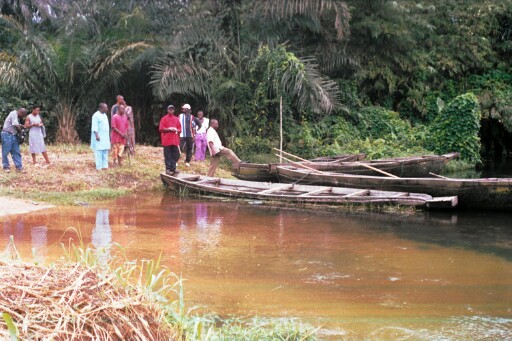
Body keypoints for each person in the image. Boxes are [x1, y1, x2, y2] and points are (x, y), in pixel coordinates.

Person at [1, 107, 27, 172]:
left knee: (16, 151)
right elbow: (15, 124)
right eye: (23, 115)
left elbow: (16, 124)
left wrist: (22, 126)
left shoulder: (16, 116)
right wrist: (21, 131)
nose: (22, 117)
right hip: (7, 134)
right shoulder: (13, 113)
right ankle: (6, 167)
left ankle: (19, 167)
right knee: (6, 151)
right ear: (21, 113)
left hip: (13, 135)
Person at [159, 105, 181, 175]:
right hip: (167, 140)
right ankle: (168, 168)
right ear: (167, 110)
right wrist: (169, 129)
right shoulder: (164, 118)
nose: (171, 110)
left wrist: (177, 130)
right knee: (167, 155)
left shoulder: (176, 119)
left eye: (172, 109)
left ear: (174, 110)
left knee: (175, 154)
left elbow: (180, 129)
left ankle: (173, 168)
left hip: (174, 140)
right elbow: (161, 129)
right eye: (170, 109)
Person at [91, 103, 111, 170]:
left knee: (105, 151)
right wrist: (96, 135)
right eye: (106, 108)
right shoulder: (96, 115)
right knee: (99, 152)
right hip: (99, 137)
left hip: (105, 137)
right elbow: (94, 126)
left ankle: (105, 166)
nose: (107, 109)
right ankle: (99, 167)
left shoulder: (105, 115)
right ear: (101, 108)